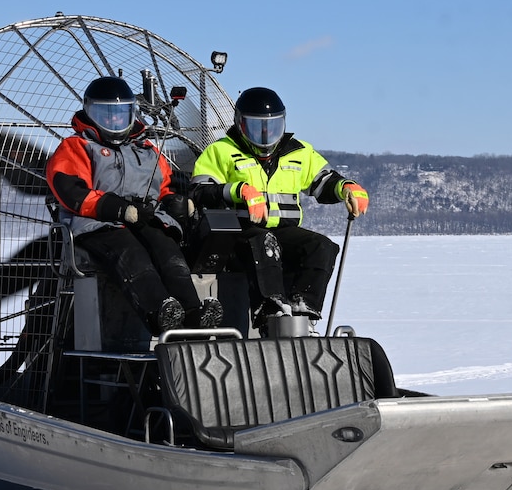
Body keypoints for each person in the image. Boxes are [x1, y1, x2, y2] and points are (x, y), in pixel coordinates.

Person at [46, 76, 222, 335]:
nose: (115, 121)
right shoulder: (77, 147)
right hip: (98, 224)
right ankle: (158, 312)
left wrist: (173, 202)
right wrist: (116, 209)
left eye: (121, 114)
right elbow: (72, 191)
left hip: (143, 218)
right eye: (106, 115)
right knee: (131, 253)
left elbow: (166, 185)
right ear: (91, 113)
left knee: (167, 251)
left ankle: (193, 311)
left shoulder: (145, 148)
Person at [191, 86, 369, 331]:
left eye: (272, 127)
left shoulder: (298, 152)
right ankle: (270, 309)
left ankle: (303, 310)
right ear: (240, 125)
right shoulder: (221, 150)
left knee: (322, 246)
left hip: (282, 231)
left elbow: (324, 180)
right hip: (239, 233)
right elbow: (200, 191)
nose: (265, 135)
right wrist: (239, 190)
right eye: (256, 127)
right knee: (265, 241)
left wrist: (347, 187)